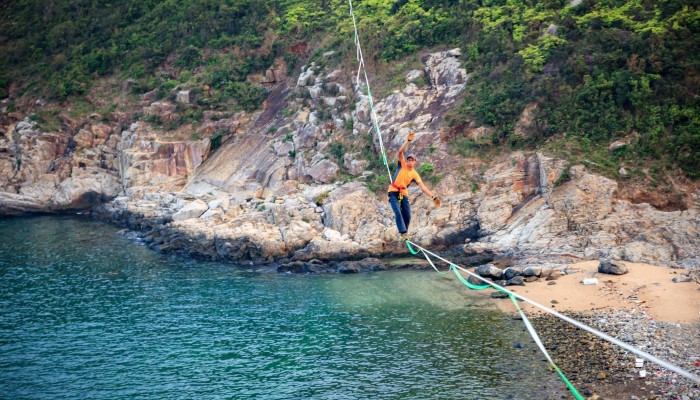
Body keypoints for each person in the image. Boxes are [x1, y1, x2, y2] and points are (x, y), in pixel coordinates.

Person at [387, 132, 440, 241]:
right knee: (397, 212)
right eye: (409, 160)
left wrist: (433, 197)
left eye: (412, 160)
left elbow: (423, 187)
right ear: (406, 161)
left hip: (403, 193)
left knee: (407, 215)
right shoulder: (402, 164)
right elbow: (400, 151)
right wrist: (408, 141)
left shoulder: (415, 174)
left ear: (415, 162)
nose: (410, 162)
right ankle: (403, 233)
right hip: (393, 192)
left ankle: (405, 233)